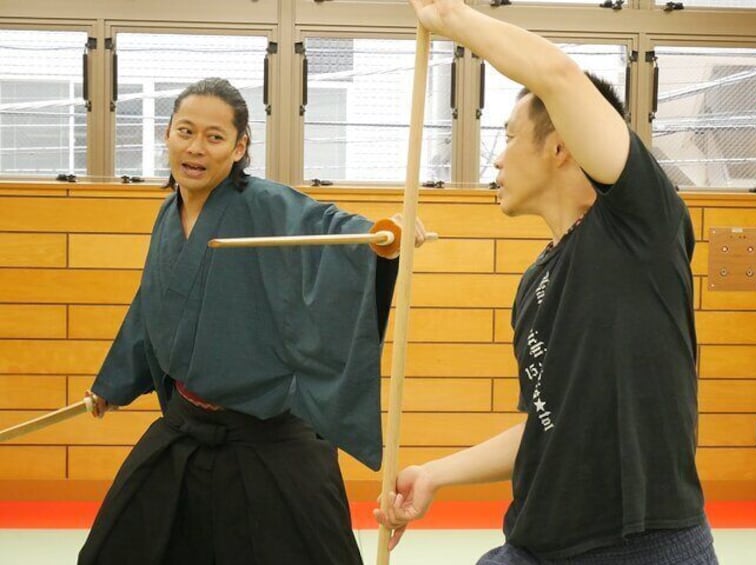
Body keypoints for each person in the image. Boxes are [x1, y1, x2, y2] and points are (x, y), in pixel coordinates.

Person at [374, 2, 718, 564]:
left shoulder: (640, 226)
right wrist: (435, 473)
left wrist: (448, 16)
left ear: (561, 147)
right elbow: (546, 425)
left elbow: (556, 76)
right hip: (536, 546)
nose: (497, 162)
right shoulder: (537, 280)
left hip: (642, 547)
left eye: (508, 138)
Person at [78, 77, 425, 565]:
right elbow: (153, 307)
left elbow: (331, 229)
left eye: (215, 137)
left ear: (240, 147)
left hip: (272, 442)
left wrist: (386, 235)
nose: (196, 148)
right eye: (185, 131)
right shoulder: (167, 214)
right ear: (167, 136)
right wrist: (113, 383)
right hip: (186, 429)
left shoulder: (265, 203)